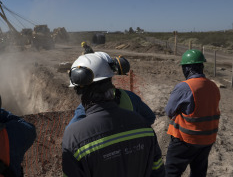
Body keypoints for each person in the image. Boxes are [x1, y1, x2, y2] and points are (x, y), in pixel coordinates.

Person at [62, 53, 165, 177]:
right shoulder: (144, 127)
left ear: (79, 91)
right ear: (110, 80)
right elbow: (158, 171)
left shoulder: (74, 135)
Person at [165, 49, 220, 177]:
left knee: (171, 172)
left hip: (186, 140)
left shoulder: (184, 87)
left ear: (187, 68)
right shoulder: (213, 86)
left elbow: (169, 111)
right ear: (202, 66)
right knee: (198, 172)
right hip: (207, 139)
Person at [68, 52, 156, 127]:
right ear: (109, 78)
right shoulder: (130, 97)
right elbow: (150, 117)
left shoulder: (84, 109)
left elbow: (71, 133)